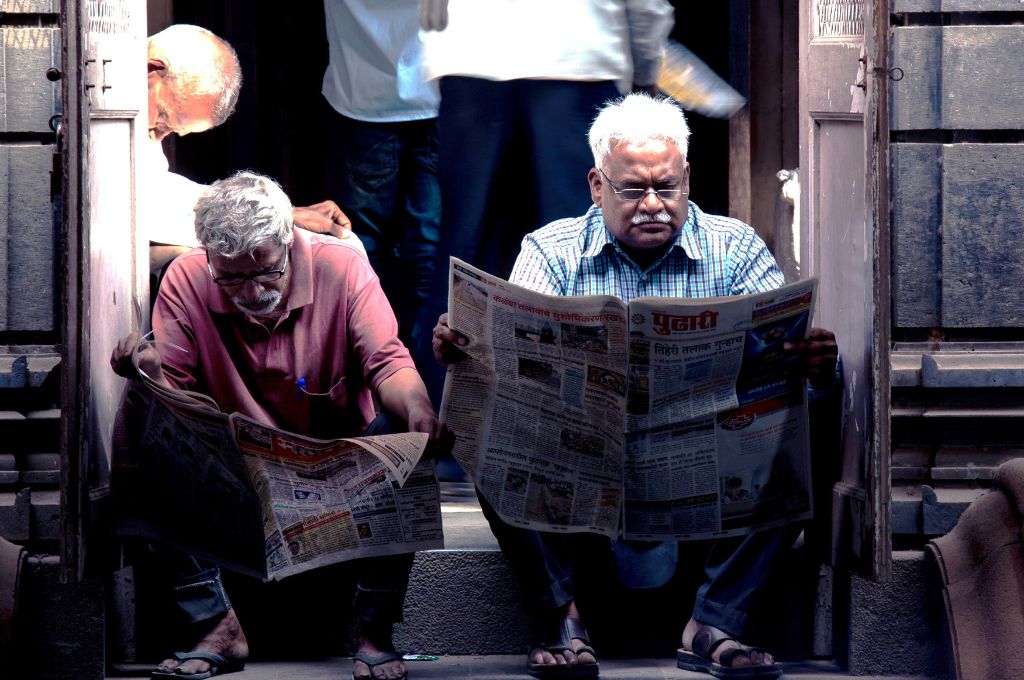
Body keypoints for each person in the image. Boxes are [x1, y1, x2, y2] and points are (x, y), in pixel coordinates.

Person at [431, 93, 839, 679]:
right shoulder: (550, 252)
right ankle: (561, 615)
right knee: (487, 416)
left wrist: (814, 368)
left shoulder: (738, 249)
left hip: (707, 490)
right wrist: (468, 354)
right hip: (584, 492)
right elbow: (509, 373)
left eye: (667, 187)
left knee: (809, 410)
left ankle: (717, 621)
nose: (653, 204)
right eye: (632, 189)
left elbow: (782, 377)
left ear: (688, 178)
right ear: (597, 185)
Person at [112, 171, 448, 680]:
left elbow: (386, 361)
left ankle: (375, 633)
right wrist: (152, 377)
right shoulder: (187, 277)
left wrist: (419, 406)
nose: (249, 291)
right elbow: (176, 404)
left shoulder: (342, 267)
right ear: (209, 258)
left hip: (339, 479)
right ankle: (215, 625)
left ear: (288, 243)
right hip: (237, 481)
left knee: (404, 437)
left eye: (264, 271)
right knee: (145, 422)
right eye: (231, 278)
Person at [415, 0, 674, 407]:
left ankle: (446, 422)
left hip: (472, 57)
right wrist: (644, 67)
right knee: (580, 250)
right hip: (574, 56)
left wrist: (436, 40)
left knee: (467, 252)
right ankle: (587, 414)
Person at [144, 24, 360, 275]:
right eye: (163, 119)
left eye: (170, 130)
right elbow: (143, 207)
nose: (156, 134)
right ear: (152, 70)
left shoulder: (146, 103)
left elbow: (157, 190)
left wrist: (276, 213)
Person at [321, 0, 440, 382]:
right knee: (424, 253)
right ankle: (421, 387)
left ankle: (369, 383)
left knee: (359, 249)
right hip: (434, 92)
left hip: (364, 96)